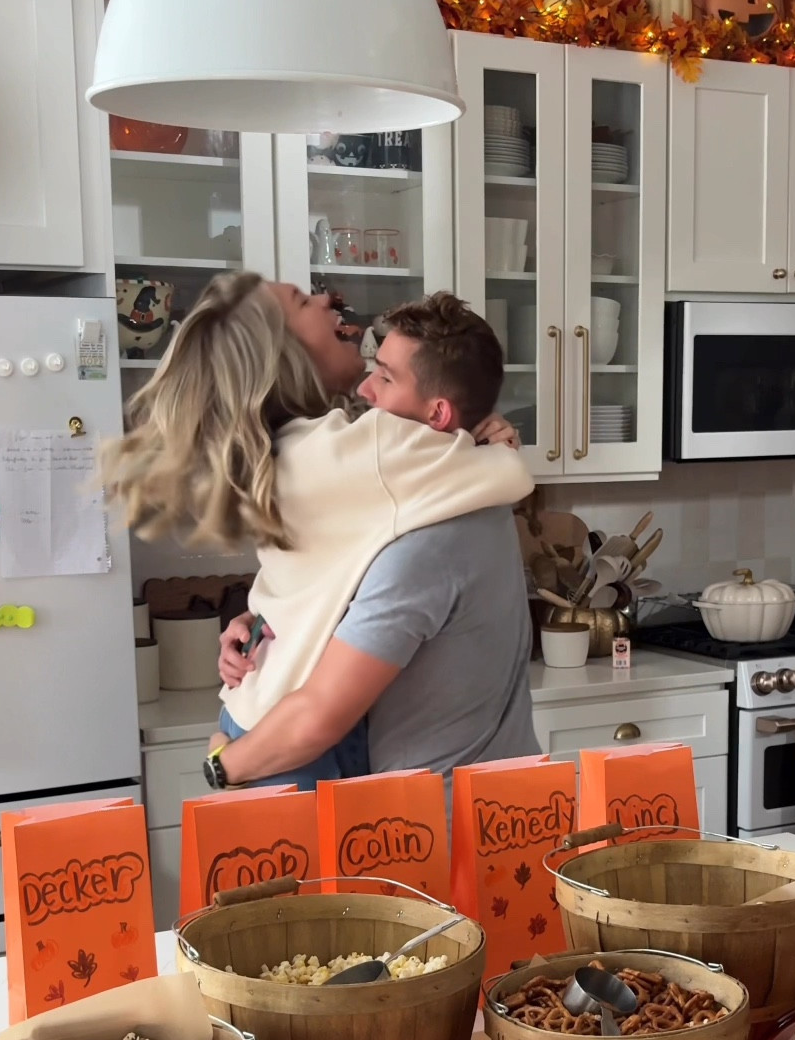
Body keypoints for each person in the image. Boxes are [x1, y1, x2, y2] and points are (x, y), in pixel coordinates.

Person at [100, 273, 534, 790]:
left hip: (257, 714)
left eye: (387, 376)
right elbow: (511, 477)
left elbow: (322, 578)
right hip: (290, 741)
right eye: (304, 302)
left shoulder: (288, 450)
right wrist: (491, 446)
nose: (329, 298)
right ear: (284, 353)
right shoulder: (364, 453)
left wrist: (256, 620)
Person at [216, 292, 539, 801]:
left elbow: (318, 716)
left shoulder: (427, 542)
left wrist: (222, 760)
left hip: (444, 821)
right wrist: (259, 625)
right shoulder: (466, 492)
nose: (367, 389)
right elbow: (328, 575)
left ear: (436, 414)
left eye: (386, 377)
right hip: (501, 797)